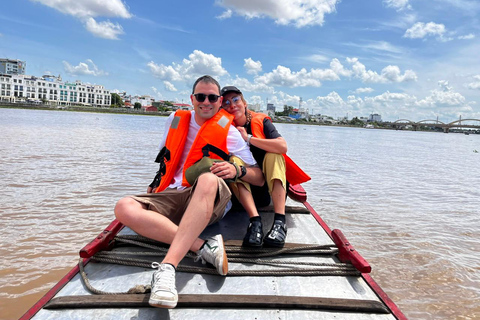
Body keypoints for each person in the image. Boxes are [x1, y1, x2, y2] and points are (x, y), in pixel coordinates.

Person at [114, 76, 264, 309]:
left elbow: (259, 177)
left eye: (212, 97)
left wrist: (236, 169)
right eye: (201, 97)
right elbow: (166, 156)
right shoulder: (174, 119)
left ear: (219, 101)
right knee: (124, 206)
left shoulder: (229, 131)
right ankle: (202, 246)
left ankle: (167, 269)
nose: (206, 102)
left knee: (206, 178)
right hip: (173, 193)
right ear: (192, 99)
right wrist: (156, 182)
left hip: (209, 195)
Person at [220, 86, 310, 248]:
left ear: (244, 103)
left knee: (274, 154)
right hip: (243, 193)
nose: (232, 105)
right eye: (226, 102)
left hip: (268, 192)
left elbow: (282, 146)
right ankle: (255, 222)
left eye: (235, 100)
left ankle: (279, 223)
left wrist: (247, 138)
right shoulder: (222, 128)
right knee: (232, 161)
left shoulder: (261, 121)